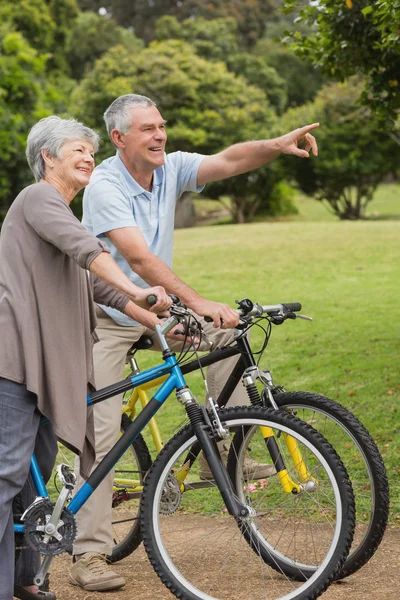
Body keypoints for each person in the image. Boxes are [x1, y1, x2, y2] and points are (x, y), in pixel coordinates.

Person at [70, 94, 319, 592]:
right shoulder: (103, 186)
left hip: (157, 307)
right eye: (147, 129)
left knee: (228, 332)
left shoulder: (171, 168)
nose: (160, 135)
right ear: (119, 139)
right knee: (100, 434)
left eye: (161, 126)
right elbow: (137, 260)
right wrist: (197, 300)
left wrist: (276, 144)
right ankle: (89, 554)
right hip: (108, 314)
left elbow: (229, 160)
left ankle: (220, 451)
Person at [0, 115, 172, 600]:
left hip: (46, 366)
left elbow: (91, 282)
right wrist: (137, 286)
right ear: (47, 157)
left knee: (33, 484)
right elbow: (88, 253)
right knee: (7, 475)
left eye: (90, 152)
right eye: (76, 149)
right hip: (16, 360)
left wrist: (150, 315)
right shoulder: (38, 198)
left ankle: (25, 580)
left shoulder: (60, 212)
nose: (87, 157)